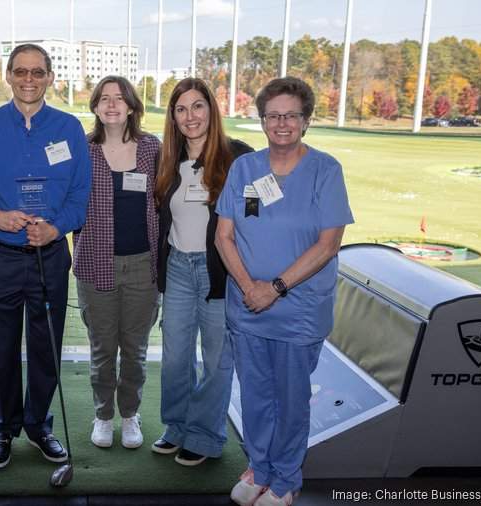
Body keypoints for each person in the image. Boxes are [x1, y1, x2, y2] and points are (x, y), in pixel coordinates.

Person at [215, 77, 353, 506]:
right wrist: (248, 288)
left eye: (291, 115)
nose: (281, 123)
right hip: (248, 306)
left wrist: (273, 288)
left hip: (299, 311)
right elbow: (224, 236)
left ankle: (286, 479)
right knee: (254, 395)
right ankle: (260, 467)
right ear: (262, 121)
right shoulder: (245, 169)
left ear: (306, 121)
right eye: (273, 115)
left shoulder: (325, 171)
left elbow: (328, 245)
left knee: (291, 400)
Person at [0, 43, 91, 469]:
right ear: (9, 76)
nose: (29, 79)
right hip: (0, 256)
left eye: (38, 72)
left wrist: (58, 227)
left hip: (50, 256)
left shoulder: (69, 127)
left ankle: (38, 426)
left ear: (51, 77)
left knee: (45, 346)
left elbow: (80, 194)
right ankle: (4, 427)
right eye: (21, 72)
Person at [152, 78, 253, 466]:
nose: (189, 116)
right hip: (178, 265)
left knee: (215, 360)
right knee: (176, 357)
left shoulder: (239, 157)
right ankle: (176, 427)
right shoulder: (169, 160)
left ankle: (206, 436)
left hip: (220, 273)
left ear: (211, 110)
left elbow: (256, 215)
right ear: (173, 117)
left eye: (197, 106)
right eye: (180, 109)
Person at [73, 75, 161, 449]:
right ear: (94, 107)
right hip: (95, 263)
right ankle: (103, 415)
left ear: (132, 107)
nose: (111, 105)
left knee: (136, 351)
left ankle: (130, 413)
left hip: (143, 265)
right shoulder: (82, 149)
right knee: (102, 348)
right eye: (104, 98)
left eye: (119, 98)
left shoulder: (152, 148)